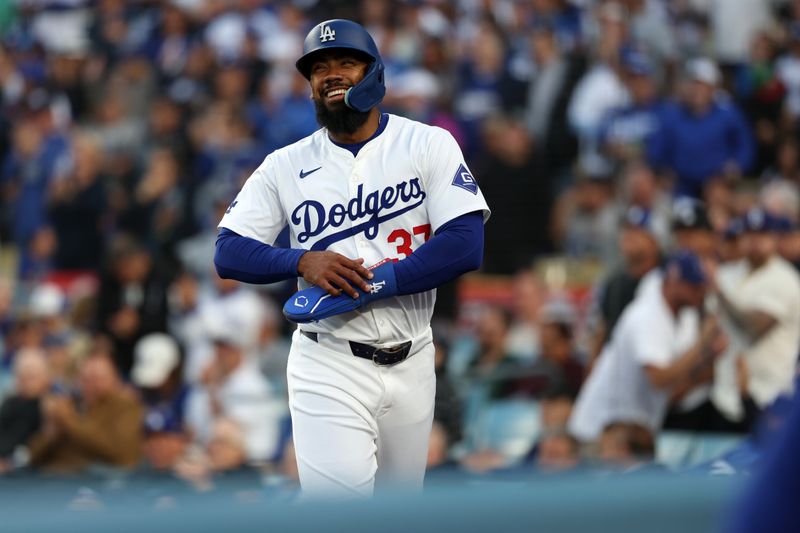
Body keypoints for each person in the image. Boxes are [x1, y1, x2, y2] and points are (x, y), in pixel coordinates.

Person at [213, 19, 489, 497]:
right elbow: (228, 251)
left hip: (413, 356)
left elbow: (466, 243)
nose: (331, 74)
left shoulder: (426, 144)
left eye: (345, 62)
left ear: (375, 74)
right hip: (329, 359)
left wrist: (378, 282)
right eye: (319, 68)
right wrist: (299, 261)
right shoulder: (286, 164)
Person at [568, 251, 727, 442]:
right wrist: (702, 343)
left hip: (631, 432)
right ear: (673, 281)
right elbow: (659, 379)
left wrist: (707, 354)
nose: (700, 292)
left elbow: (675, 375)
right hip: (598, 431)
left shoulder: (682, 315)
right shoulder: (647, 316)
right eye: (693, 286)